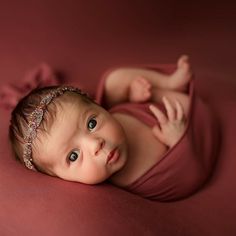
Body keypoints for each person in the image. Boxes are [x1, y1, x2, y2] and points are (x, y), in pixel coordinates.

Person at [10, 55, 214, 201]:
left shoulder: (110, 117)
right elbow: (192, 179)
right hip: (196, 125)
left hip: (155, 104)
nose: (95, 144)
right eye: (73, 156)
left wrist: (131, 99)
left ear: (99, 107)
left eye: (92, 123)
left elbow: (110, 108)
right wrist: (179, 141)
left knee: (113, 79)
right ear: (61, 178)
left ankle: (169, 82)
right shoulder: (138, 176)